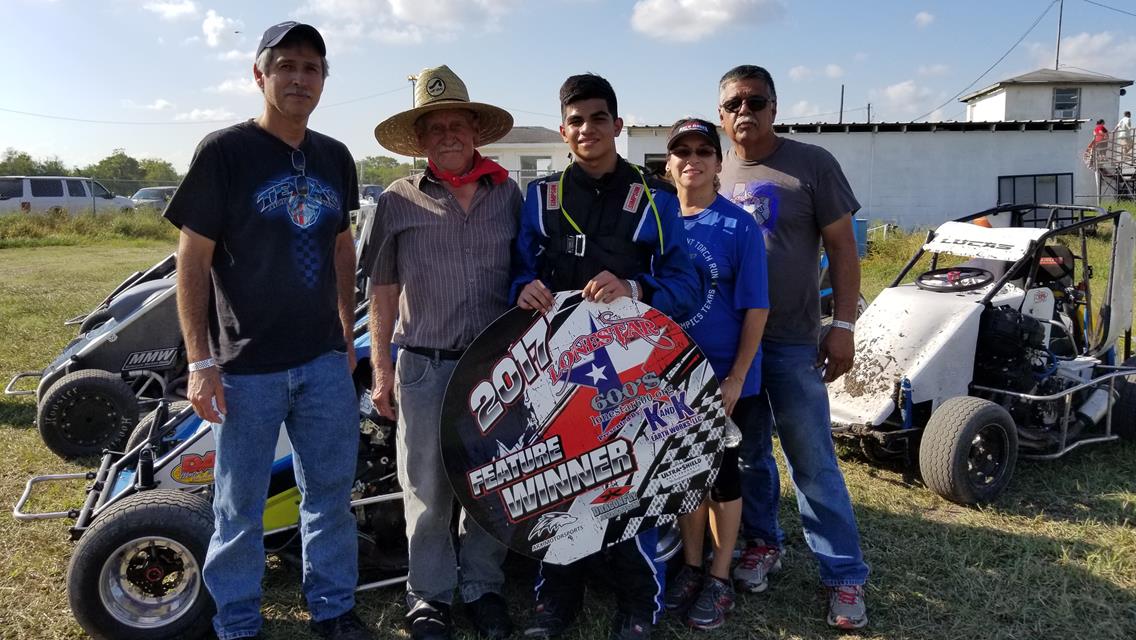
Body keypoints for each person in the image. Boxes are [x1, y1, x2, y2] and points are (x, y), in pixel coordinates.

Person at [166, 21, 371, 640]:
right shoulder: (225, 152)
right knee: (238, 507)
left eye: (312, 68)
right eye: (286, 66)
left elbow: (341, 247)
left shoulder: (335, 157)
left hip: (320, 364)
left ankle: (333, 611)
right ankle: (237, 622)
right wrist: (201, 362)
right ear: (260, 75)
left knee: (330, 496)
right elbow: (191, 258)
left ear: (323, 81)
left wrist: (343, 331)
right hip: (245, 367)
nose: (299, 78)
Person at [512, 73, 700, 640]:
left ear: (617, 125)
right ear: (563, 129)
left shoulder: (656, 199)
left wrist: (635, 290)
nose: (587, 128)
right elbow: (516, 269)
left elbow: (685, 284)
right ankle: (555, 603)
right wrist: (522, 288)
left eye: (598, 118)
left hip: (634, 370)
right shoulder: (538, 197)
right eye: (575, 120)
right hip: (554, 370)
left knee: (633, 481)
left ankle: (639, 607)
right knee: (557, 482)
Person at [368, 65, 521, 640]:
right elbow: (380, 288)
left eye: (459, 124)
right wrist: (381, 367)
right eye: (437, 127)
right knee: (427, 487)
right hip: (425, 364)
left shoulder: (510, 194)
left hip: (498, 366)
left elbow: (531, 269)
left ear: (475, 131)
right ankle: (428, 595)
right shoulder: (396, 201)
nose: (450, 135)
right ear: (423, 139)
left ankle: (483, 586)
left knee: (494, 481)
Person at [716, 64, 871, 630]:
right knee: (750, 454)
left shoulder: (812, 164)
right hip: (737, 349)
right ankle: (762, 542)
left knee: (812, 461)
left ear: (775, 107)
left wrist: (844, 325)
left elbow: (844, 250)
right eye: (733, 103)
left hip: (792, 342)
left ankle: (845, 574)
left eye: (756, 101)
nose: (745, 112)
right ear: (721, 113)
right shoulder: (716, 169)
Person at [657, 118, 768, 631]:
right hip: (668, 377)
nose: (692, 160)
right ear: (668, 162)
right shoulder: (656, 220)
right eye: (682, 151)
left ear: (719, 163)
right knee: (683, 476)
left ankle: (720, 577)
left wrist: (736, 378)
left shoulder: (738, 225)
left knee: (722, 476)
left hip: (722, 375)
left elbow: (755, 308)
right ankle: (692, 566)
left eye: (705, 150)